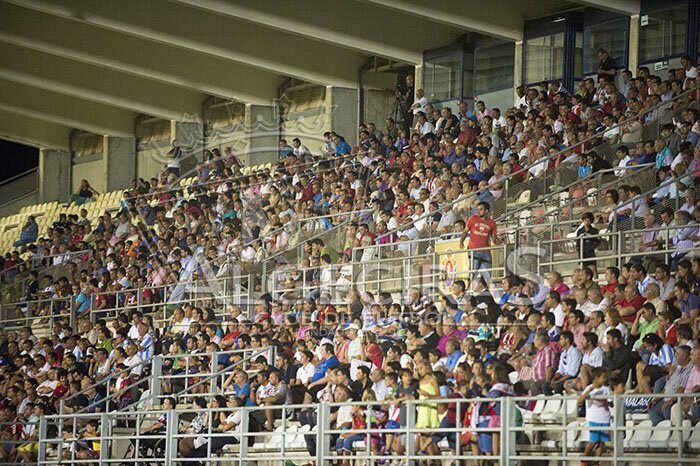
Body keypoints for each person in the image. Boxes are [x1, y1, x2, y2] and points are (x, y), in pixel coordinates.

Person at [459, 201, 502, 285]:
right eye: (477, 209)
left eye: (481, 209)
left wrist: (498, 241)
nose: (478, 211)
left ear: (486, 211)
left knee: (487, 274)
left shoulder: (492, 223)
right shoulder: (473, 219)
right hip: (473, 250)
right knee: (473, 272)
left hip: (486, 251)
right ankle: (470, 289)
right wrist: (461, 242)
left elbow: (493, 238)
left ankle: (486, 290)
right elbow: (465, 231)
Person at [578, 367, 612, 465]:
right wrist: (589, 392)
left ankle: (597, 462)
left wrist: (605, 401)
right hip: (593, 418)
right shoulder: (589, 388)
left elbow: (611, 403)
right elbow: (579, 401)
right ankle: (584, 459)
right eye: (603, 377)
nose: (605, 379)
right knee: (593, 440)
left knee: (602, 442)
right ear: (596, 378)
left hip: (605, 418)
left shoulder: (607, 389)